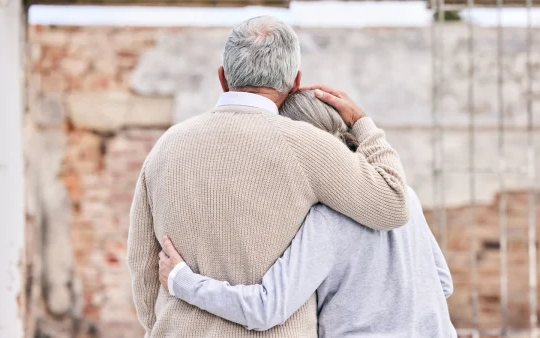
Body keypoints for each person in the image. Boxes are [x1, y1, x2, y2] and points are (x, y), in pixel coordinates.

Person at [127, 16, 410, 337]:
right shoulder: (308, 145)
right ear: (295, 81)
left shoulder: (166, 146)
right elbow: (394, 205)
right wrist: (361, 121)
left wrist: (162, 325)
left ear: (222, 77)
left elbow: (143, 265)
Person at [157, 91, 457, 338]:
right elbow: (443, 283)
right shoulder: (406, 195)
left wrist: (183, 281)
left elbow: (266, 308)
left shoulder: (326, 219)